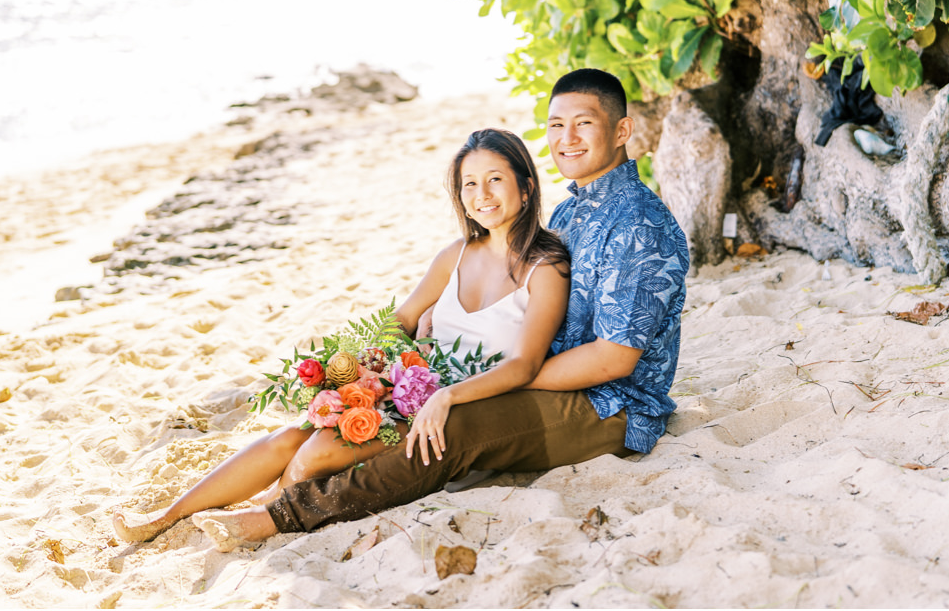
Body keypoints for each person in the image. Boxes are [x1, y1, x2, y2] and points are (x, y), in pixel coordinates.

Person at [190, 68, 689, 550]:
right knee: (357, 419)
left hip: (611, 407)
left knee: (453, 428)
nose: (567, 138)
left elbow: (613, 360)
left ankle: (283, 515)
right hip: (545, 377)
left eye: (584, 123)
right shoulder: (573, 207)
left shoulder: (638, 222)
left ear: (622, 130)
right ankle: (187, 509)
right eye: (557, 125)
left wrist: (500, 377)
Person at [112, 128, 570, 544]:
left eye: (495, 180)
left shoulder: (545, 267)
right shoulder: (456, 254)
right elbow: (404, 318)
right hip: (414, 386)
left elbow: (525, 364)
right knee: (289, 437)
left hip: (464, 406)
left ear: (526, 187)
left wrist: (446, 397)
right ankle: (163, 518)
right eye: (470, 184)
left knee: (314, 453)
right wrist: (369, 364)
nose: (481, 195)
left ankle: (263, 511)